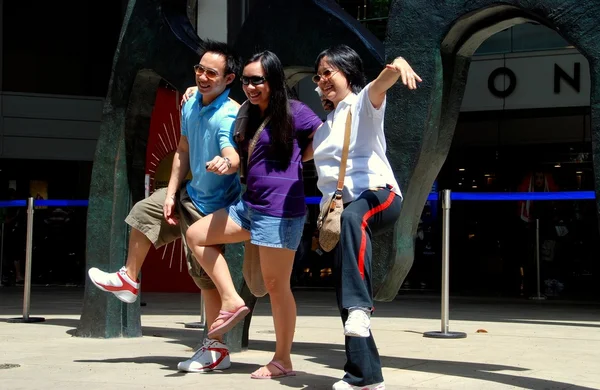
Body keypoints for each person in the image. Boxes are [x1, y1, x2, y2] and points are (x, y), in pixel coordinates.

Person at [87, 40, 243, 373]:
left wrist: (225, 163)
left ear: (228, 80)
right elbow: (183, 150)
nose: (202, 77)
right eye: (199, 70)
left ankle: (216, 348)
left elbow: (233, 156)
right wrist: (170, 193)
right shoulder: (189, 104)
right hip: (188, 194)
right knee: (144, 212)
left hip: (213, 208)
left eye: (211, 73)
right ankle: (129, 278)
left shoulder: (230, 114)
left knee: (205, 281)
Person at [184, 50, 322, 379]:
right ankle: (232, 300)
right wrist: (192, 92)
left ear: (273, 79)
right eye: (246, 80)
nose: (250, 86)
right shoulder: (246, 111)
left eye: (257, 80)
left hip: (280, 211)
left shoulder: (294, 111)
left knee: (277, 286)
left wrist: (296, 162)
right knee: (196, 235)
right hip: (249, 206)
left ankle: (282, 359)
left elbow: (323, 136)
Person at [309, 44, 422, 390]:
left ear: (348, 73)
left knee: (354, 220)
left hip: (380, 195)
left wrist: (397, 65)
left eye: (329, 71)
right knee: (345, 288)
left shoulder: (362, 105)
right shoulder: (321, 129)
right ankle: (364, 375)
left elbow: (380, 85)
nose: (323, 80)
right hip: (343, 215)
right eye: (319, 75)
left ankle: (361, 307)